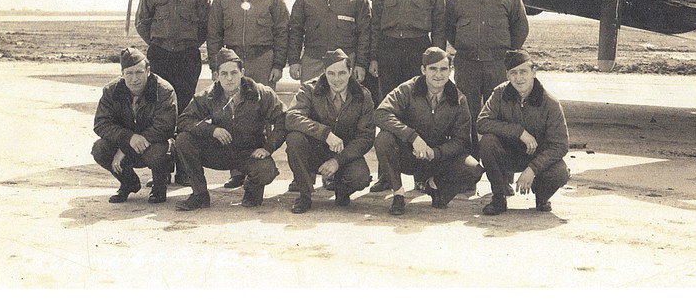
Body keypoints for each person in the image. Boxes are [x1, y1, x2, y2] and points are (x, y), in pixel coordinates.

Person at [369, 0, 446, 192]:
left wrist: (436, 60)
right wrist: (374, 57)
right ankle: (386, 175)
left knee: (420, 111)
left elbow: (439, 21)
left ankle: (421, 175)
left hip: (418, 48)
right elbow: (375, 21)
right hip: (389, 49)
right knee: (388, 110)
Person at [206, 0, 290, 189]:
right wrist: (215, 66)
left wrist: (278, 64)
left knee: (261, 114)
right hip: (232, 64)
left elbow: (282, 32)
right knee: (232, 114)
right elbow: (214, 34)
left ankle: (259, 165)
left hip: (262, 60)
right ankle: (237, 170)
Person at [135, 0, 210, 185]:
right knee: (160, 112)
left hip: (187, 56)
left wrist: (187, 44)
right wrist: (159, 43)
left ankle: (185, 169)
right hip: (160, 55)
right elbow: (142, 23)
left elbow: (204, 26)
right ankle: (161, 169)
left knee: (186, 112)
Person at [373, 47, 483, 216]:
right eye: (433, 69)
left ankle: (435, 187)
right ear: (423, 70)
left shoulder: (459, 99)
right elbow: (381, 113)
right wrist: (412, 137)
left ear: (450, 71)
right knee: (384, 138)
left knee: (473, 169)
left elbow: (462, 141)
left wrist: (435, 153)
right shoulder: (407, 89)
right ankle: (398, 193)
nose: (438, 75)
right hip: (410, 155)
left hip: (438, 159)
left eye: (443, 69)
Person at [174, 48, 286, 211]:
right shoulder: (208, 95)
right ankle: (200, 194)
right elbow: (184, 120)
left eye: (234, 73)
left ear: (242, 72)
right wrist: (212, 130)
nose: (229, 78)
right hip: (219, 152)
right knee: (183, 140)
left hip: (249, 153)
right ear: (216, 76)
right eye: (224, 74)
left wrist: (268, 148)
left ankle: (252, 187)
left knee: (265, 170)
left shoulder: (260, 93)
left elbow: (283, 118)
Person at [446, 0, 529, 159]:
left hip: (498, 65)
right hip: (467, 65)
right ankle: (469, 170)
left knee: (503, 115)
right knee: (467, 117)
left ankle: (504, 172)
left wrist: (507, 58)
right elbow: (449, 30)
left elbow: (520, 28)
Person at [477, 49, 569, 215]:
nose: (518, 78)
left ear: (534, 72)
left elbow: (560, 145)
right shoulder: (500, 94)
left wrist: (533, 169)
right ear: (507, 75)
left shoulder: (550, 103)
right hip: (508, 153)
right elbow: (482, 123)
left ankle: (541, 196)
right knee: (487, 142)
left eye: (523, 72)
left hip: (537, 156)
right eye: (513, 73)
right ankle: (498, 197)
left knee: (560, 172)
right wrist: (519, 132)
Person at [285, 49, 375, 213]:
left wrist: (338, 161)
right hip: (315, 150)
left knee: (360, 178)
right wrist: (325, 134)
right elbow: (292, 117)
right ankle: (305, 195)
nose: (336, 79)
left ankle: (342, 189)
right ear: (324, 73)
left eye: (341, 73)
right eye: (331, 73)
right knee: (294, 139)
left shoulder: (363, 96)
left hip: (345, 154)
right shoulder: (310, 90)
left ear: (350, 72)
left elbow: (366, 137)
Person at [91, 47, 177, 204]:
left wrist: (126, 147)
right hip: (127, 143)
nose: (134, 79)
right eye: (129, 73)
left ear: (148, 71)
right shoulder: (111, 91)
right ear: (122, 73)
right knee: (99, 149)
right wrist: (128, 138)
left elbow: (165, 126)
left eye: (139, 72)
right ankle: (129, 183)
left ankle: (159, 186)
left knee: (159, 152)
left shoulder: (164, 90)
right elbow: (101, 124)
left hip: (153, 144)